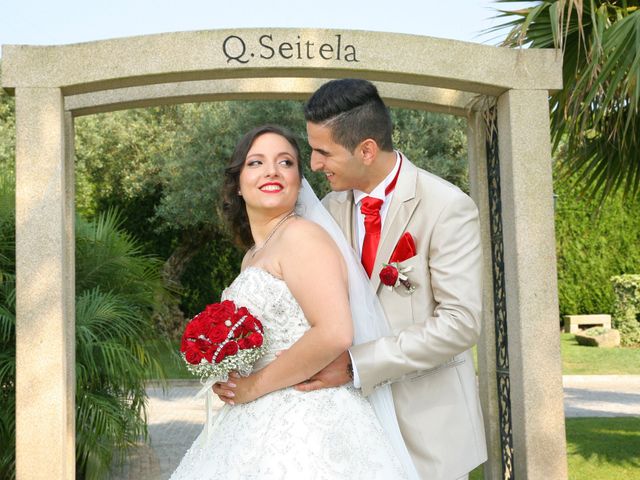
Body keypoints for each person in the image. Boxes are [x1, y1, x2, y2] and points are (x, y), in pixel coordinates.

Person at [170, 125, 411, 479]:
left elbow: (334, 332)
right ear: (238, 183)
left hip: (307, 421)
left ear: (299, 181)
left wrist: (253, 385)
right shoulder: (253, 255)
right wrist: (230, 371)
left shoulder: (301, 237)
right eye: (256, 162)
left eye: (285, 162)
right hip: (254, 418)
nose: (272, 171)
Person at [297, 78, 488, 480]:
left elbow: (460, 324)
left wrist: (355, 366)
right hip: (352, 430)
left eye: (322, 152)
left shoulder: (447, 207)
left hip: (430, 433)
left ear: (366, 149)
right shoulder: (327, 210)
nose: (313, 164)